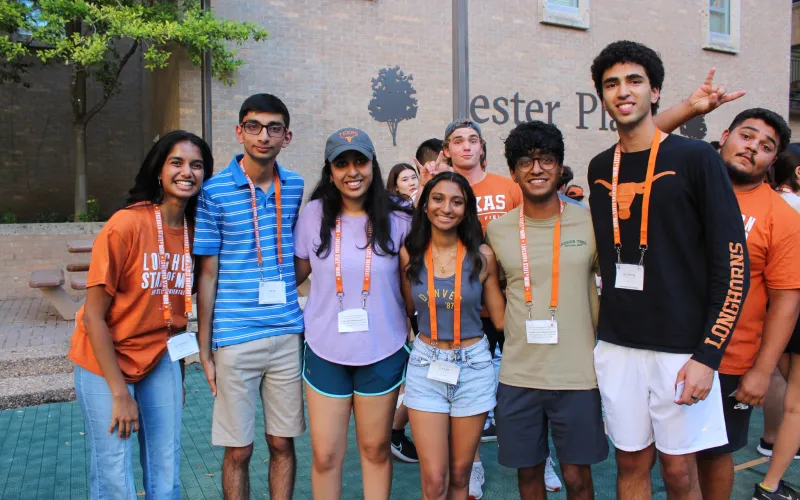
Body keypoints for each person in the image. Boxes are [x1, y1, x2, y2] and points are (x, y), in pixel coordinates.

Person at [587, 40, 750, 500]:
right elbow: (634, 143)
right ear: (602, 97)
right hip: (618, 344)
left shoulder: (696, 159)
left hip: (682, 350)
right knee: (630, 463)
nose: (623, 91)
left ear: (655, 91)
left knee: (680, 473)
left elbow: (733, 266)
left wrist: (707, 356)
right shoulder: (601, 167)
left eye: (635, 81)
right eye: (612, 84)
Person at [69, 130, 213, 499]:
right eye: (177, 163)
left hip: (161, 357)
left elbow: (176, 315)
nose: (187, 172)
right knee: (114, 470)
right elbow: (93, 317)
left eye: (197, 165)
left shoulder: (196, 234)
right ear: (159, 171)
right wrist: (120, 393)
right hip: (106, 360)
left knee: (166, 466)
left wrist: (178, 376)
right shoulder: (126, 225)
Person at [487, 120, 608, 500]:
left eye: (546, 160)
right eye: (526, 161)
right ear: (513, 172)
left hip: (577, 375)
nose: (536, 169)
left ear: (559, 167)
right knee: (528, 477)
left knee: (576, 478)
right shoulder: (499, 230)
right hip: (519, 374)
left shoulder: (591, 223)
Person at [194, 94, 306, 500]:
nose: (264, 135)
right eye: (254, 126)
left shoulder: (294, 186)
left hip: (286, 331)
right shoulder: (213, 191)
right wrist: (204, 348)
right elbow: (207, 275)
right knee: (239, 448)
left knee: (282, 443)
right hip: (235, 334)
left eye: (273, 127)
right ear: (239, 131)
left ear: (286, 136)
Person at [294, 127, 411, 499]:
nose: (352, 171)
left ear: (373, 165)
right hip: (327, 349)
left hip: (383, 349)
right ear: (330, 172)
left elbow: (415, 283)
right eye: (341, 163)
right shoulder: (314, 215)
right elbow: (295, 274)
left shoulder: (400, 216)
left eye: (360, 161)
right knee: (326, 455)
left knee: (375, 449)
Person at [691, 109, 800, 500]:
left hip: (729, 360)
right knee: (668, 454)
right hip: (669, 347)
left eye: (766, 146)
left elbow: (786, 301)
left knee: (714, 454)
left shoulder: (782, 218)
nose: (752, 147)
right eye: (747, 135)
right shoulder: (689, 188)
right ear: (725, 135)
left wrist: (761, 372)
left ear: (773, 161)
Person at [400, 171, 506, 499]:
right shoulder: (410, 254)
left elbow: (501, 320)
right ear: (425, 205)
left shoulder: (482, 256)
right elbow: (407, 309)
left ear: (466, 209)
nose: (447, 208)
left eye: (457, 201)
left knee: (461, 476)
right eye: (438, 199)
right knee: (433, 479)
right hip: (426, 364)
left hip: (473, 364)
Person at [755, 141, 800, 500]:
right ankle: (770, 486)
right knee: (796, 404)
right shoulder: (791, 208)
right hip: (792, 305)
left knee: (779, 380)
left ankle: (770, 443)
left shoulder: (766, 201)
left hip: (772, 309)